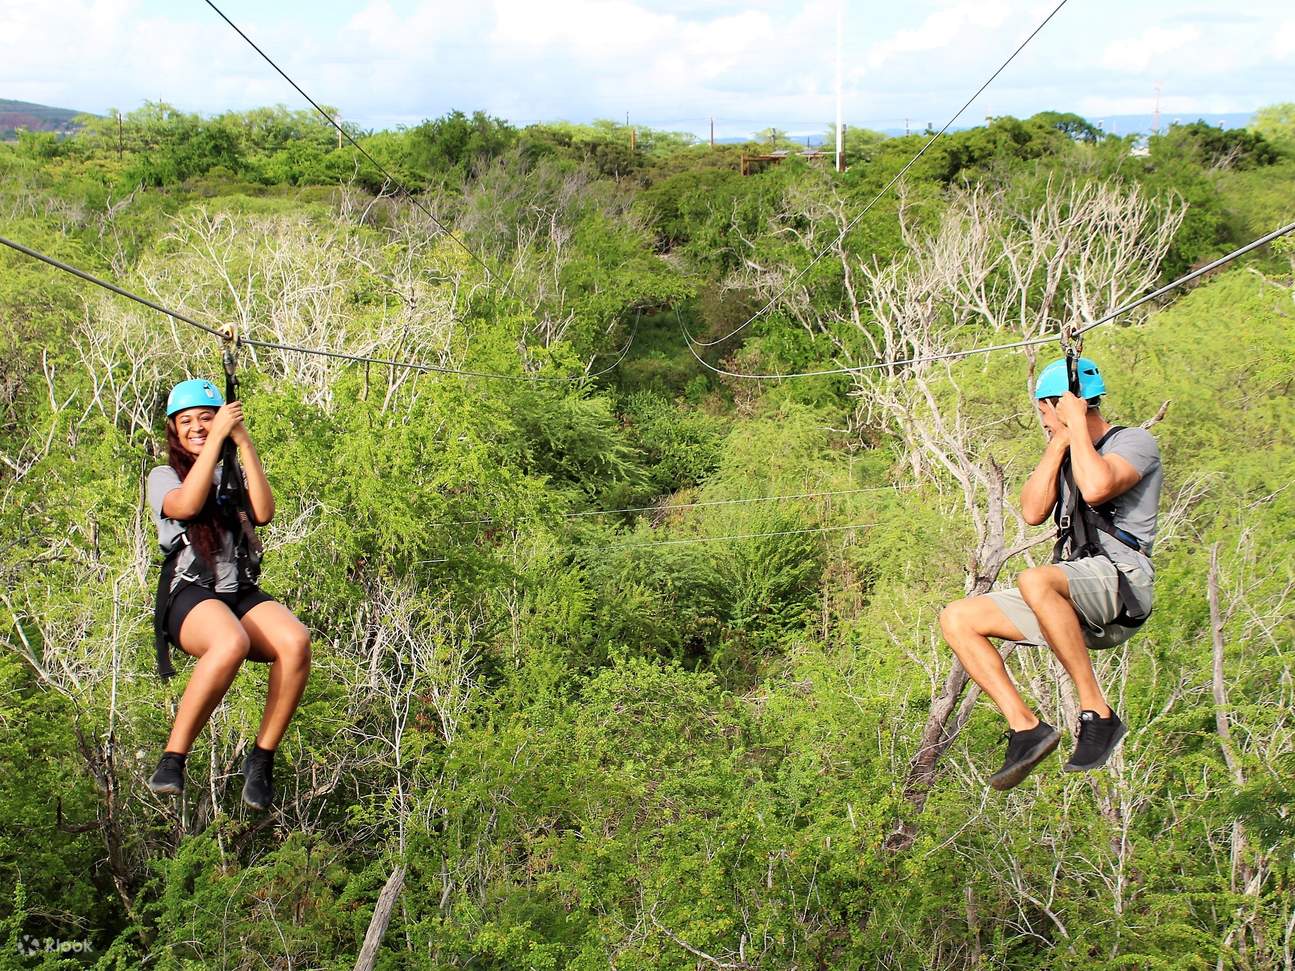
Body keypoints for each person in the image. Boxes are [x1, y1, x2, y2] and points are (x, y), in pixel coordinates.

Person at [939, 356, 1161, 791]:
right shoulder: (1065, 451)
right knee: (957, 618)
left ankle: (1097, 712)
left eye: (1044, 411)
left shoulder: (1134, 442)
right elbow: (1032, 511)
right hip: (1072, 593)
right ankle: (1027, 729)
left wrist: (1075, 428)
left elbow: (1097, 487)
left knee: (1036, 578)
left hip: (1123, 583)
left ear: (1062, 405)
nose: (1043, 421)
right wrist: (1058, 444)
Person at [145, 379, 311, 810]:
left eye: (206, 418)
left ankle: (261, 761)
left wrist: (241, 440)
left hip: (237, 590)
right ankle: (172, 759)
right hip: (192, 595)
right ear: (174, 431)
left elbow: (263, 512)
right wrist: (218, 435)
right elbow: (185, 505)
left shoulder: (231, 470)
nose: (197, 427)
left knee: (295, 643)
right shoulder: (163, 476)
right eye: (187, 422)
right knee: (230, 642)